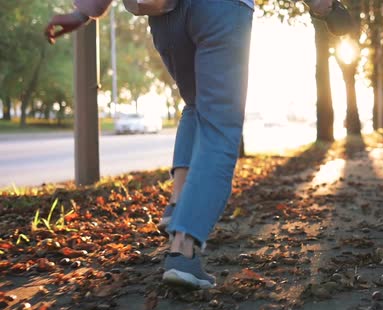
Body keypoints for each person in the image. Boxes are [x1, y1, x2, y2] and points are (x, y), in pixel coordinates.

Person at [45, 0, 333, 289]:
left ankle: (177, 204)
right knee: (219, 127)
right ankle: (183, 252)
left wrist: (84, 11)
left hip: (164, 13)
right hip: (222, 10)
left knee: (195, 104)